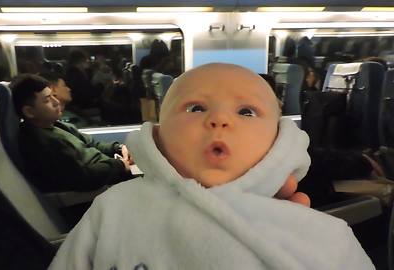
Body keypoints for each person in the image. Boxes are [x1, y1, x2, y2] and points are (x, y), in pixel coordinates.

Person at [49, 63, 373, 270]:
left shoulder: (320, 233)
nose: (218, 119)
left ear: (280, 140)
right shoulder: (114, 209)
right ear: (159, 136)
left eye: (246, 112)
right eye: (195, 107)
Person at [10, 74, 134, 194]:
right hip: (105, 187)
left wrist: (119, 148)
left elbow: (92, 143)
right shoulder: (42, 143)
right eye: (47, 100)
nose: (56, 102)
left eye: (53, 96)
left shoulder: (58, 126)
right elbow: (83, 178)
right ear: (29, 111)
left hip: (113, 171)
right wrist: (120, 165)